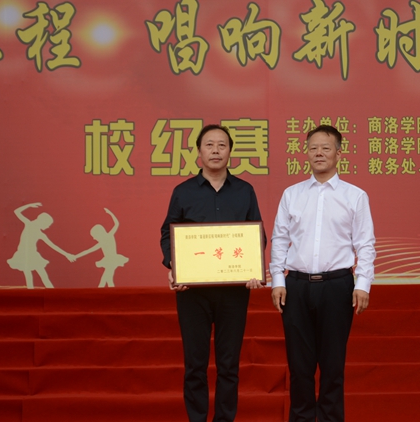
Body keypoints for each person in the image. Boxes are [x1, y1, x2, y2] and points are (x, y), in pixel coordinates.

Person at [160, 124, 266, 422]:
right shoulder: (183, 192)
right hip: (192, 292)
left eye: (222, 145)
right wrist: (174, 266)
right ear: (199, 151)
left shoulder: (245, 191)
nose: (216, 150)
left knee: (229, 365)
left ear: (230, 151)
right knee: (195, 364)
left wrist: (253, 268)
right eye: (209, 145)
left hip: (234, 291)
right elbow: (168, 234)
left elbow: (257, 236)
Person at [270, 124, 376, 422]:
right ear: (306, 153)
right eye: (313, 148)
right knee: (299, 366)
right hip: (296, 286)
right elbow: (280, 239)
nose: (319, 153)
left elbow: (365, 244)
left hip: (337, 286)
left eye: (326, 148)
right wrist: (277, 279)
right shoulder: (292, 194)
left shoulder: (355, 196)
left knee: (332, 366)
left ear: (339, 154)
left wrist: (363, 284)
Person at [7, 202, 75, 289]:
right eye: (47, 225)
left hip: (32, 254)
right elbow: (16, 211)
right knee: (30, 274)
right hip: (24, 254)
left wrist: (66, 254)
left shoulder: (38, 232)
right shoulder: (29, 224)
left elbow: (53, 245)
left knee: (41, 274)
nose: (47, 227)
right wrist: (29, 205)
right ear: (42, 222)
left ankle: (50, 291)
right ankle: (32, 292)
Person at [75, 208, 129, 288]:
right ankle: (107, 293)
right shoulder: (108, 237)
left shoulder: (105, 240)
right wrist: (110, 213)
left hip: (111, 261)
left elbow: (88, 250)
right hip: (111, 261)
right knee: (108, 279)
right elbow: (116, 224)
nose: (94, 239)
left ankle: (103, 293)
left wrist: (110, 213)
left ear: (99, 234)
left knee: (106, 279)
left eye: (94, 236)